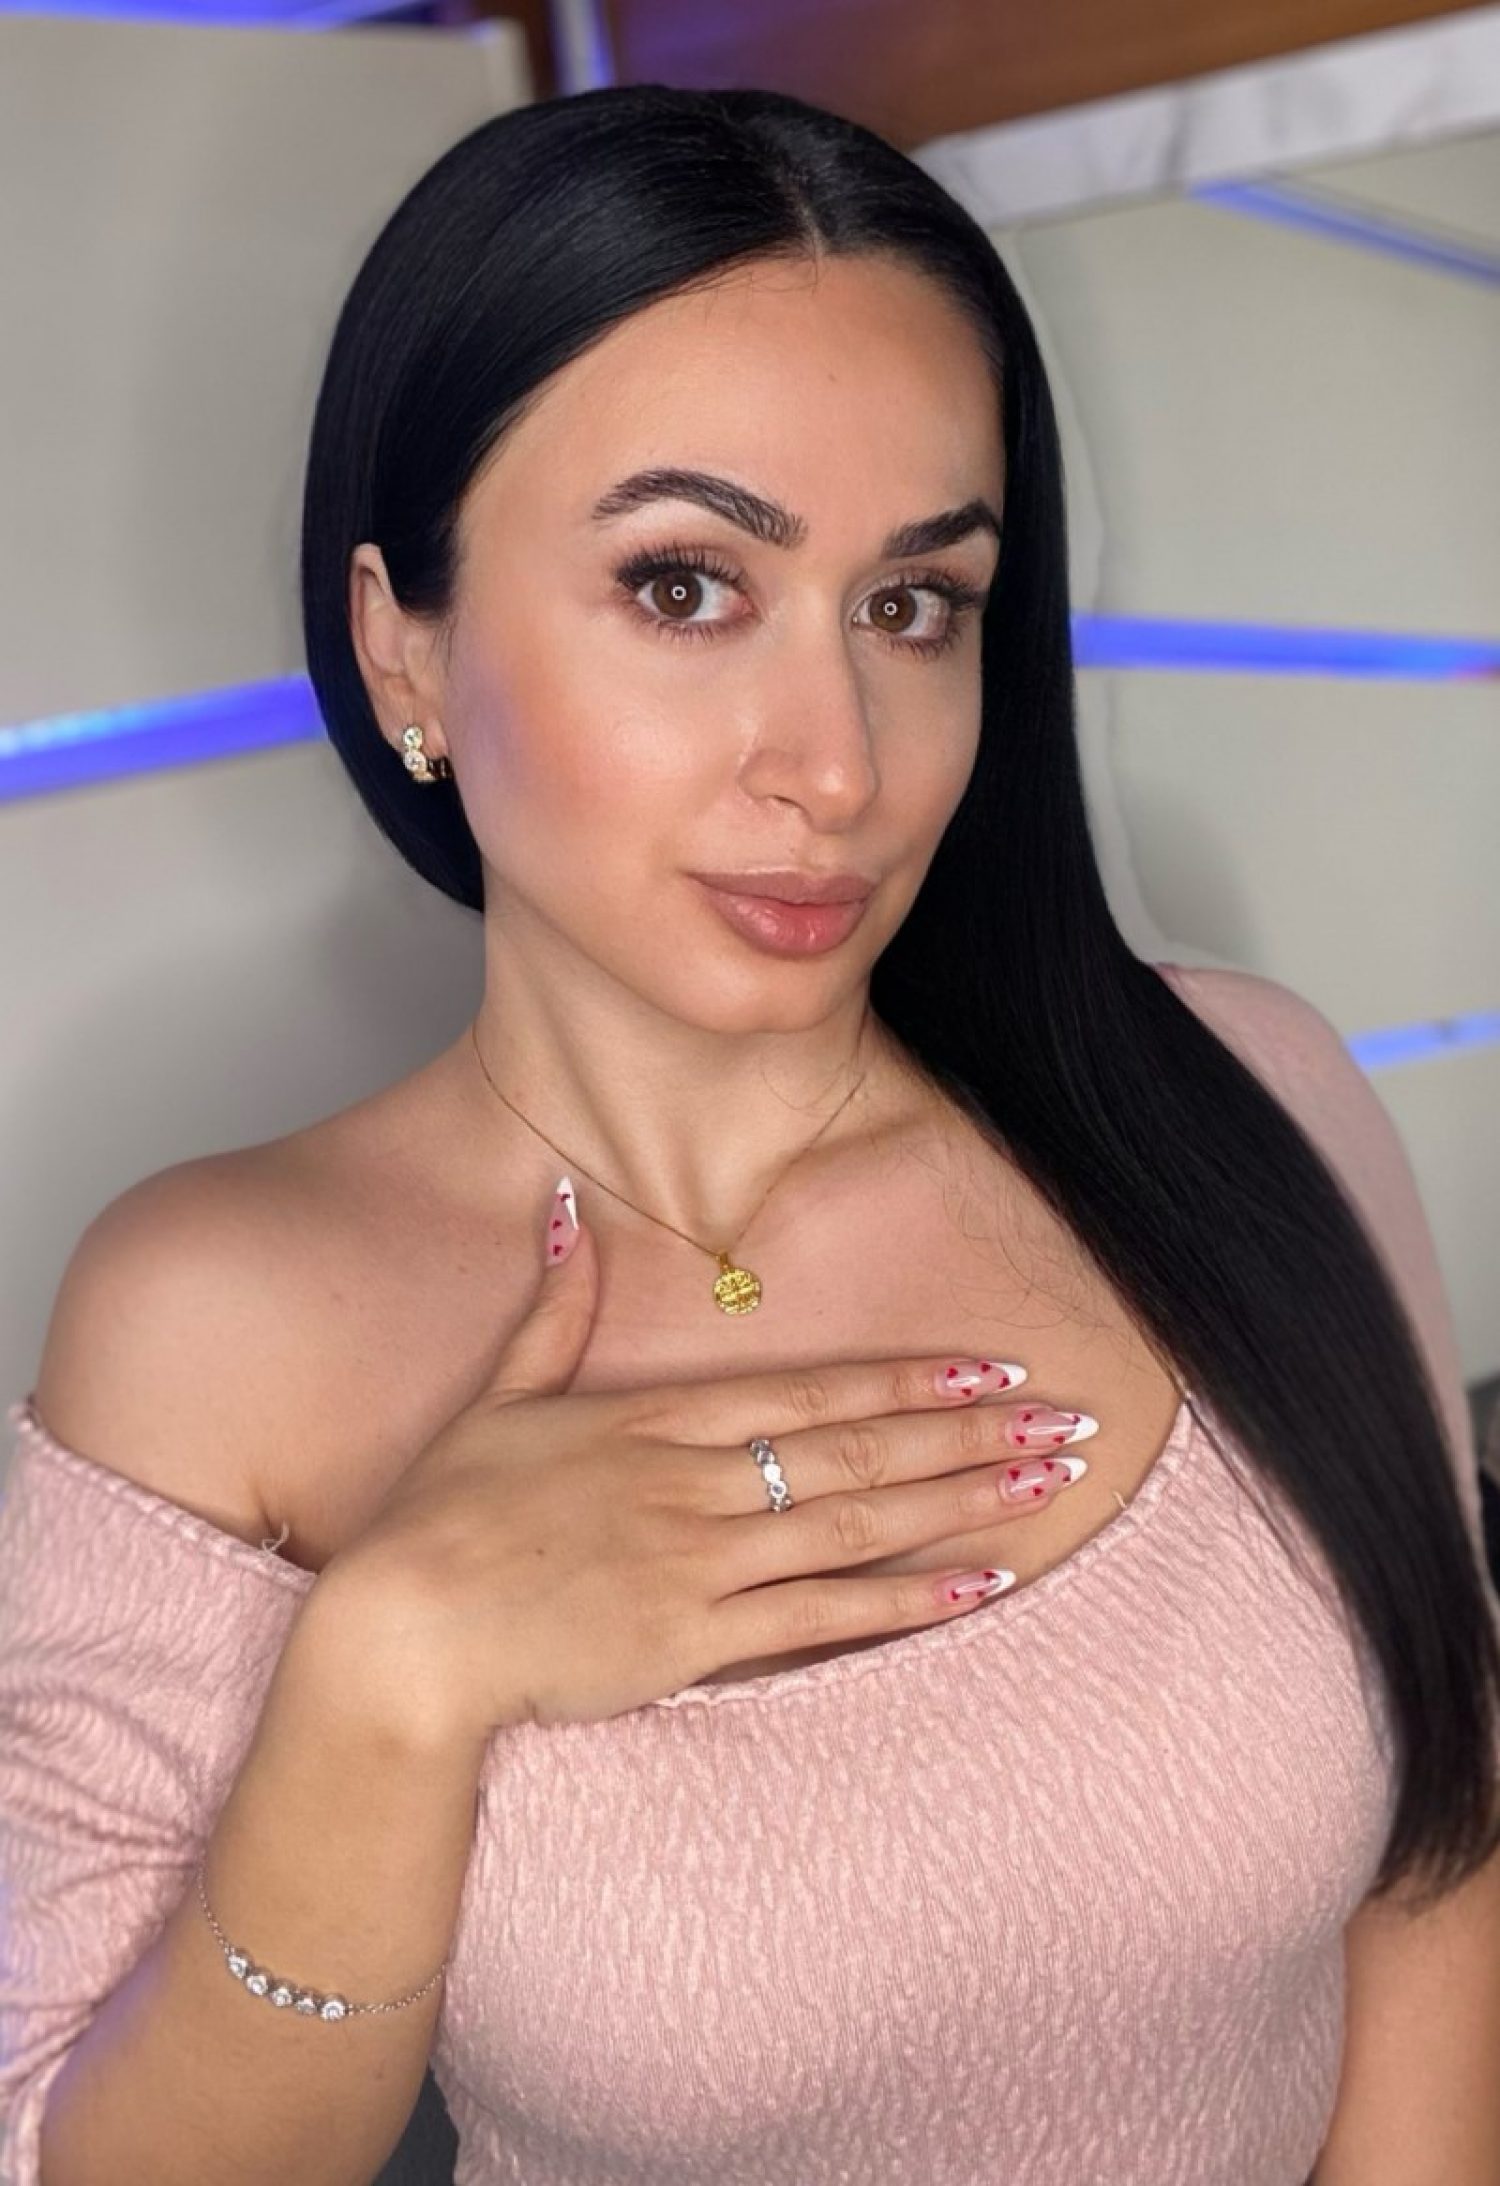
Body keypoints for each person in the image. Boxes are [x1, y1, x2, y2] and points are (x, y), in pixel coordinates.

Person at [3, 82, 1498, 2186]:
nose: (838, 765)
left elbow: (1442, 1849)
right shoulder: (217, 1321)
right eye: (688, 585)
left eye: (914, 604)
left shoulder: (1242, 1102)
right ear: (401, 643)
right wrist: (393, 1674)